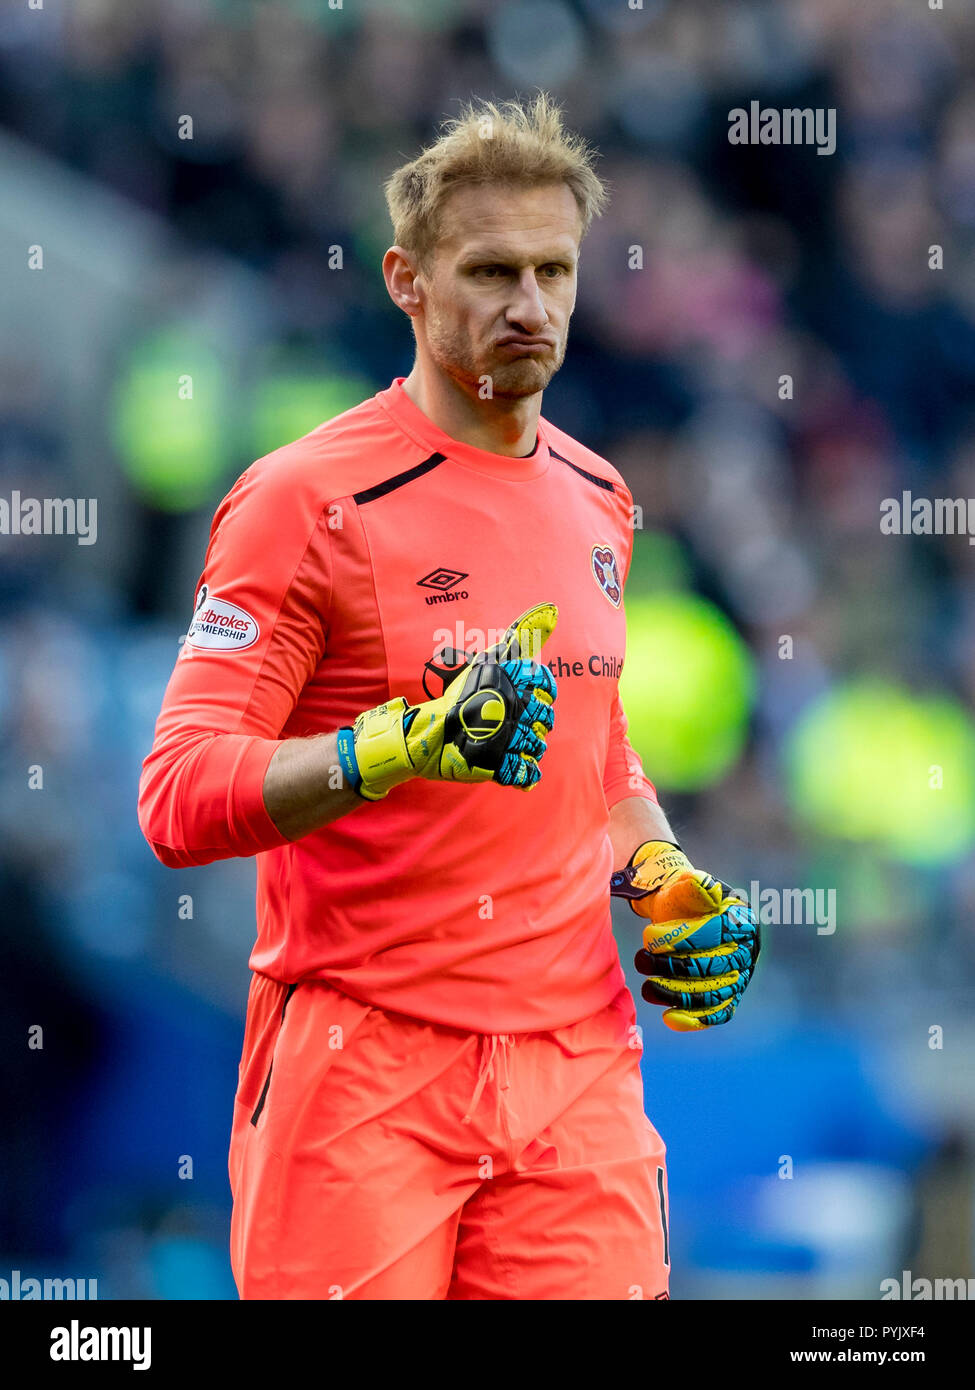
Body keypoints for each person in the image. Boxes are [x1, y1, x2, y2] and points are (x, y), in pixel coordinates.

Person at [138, 93, 759, 1301]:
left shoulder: (599, 497)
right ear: (406, 281)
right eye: (490, 270)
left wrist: (667, 880)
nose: (531, 305)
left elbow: (598, 743)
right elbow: (178, 795)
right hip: (363, 1069)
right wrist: (396, 746)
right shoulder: (301, 501)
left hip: (578, 1067)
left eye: (554, 270)